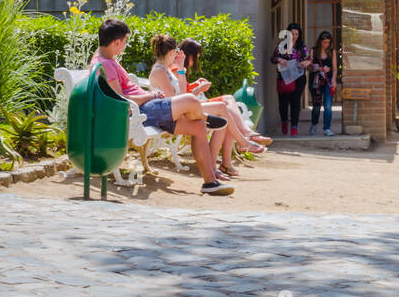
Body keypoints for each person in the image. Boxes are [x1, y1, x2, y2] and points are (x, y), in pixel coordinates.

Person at [91, 19, 232, 195]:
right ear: (117, 42)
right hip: (139, 112)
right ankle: (204, 116)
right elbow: (121, 99)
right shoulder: (105, 63)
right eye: (125, 41)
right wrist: (150, 95)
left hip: (147, 109)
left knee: (198, 127)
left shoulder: (106, 59)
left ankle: (210, 183)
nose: (125, 46)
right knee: (190, 100)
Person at [147, 34, 258, 180]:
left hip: (180, 110)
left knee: (222, 117)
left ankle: (216, 165)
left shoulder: (166, 69)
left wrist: (181, 69)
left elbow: (182, 94)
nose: (177, 55)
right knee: (222, 108)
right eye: (175, 52)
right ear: (170, 52)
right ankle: (242, 142)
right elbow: (172, 101)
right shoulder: (160, 71)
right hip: (173, 114)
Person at [178, 37, 272, 147]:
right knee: (226, 109)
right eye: (194, 58)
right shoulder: (178, 69)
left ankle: (245, 134)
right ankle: (246, 135)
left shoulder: (179, 69)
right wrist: (199, 88)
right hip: (190, 107)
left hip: (192, 105)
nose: (193, 62)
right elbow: (183, 97)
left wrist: (196, 84)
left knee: (228, 102)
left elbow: (183, 89)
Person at [270, 22, 311, 136]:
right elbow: (273, 58)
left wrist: (307, 62)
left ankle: (294, 128)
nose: (294, 36)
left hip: (299, 78)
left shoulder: (301, 46)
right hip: (285, 78)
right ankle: (284, 121)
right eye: (292, 34)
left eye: (296, 34)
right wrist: (280, 60)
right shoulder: (282, 46)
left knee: (295, 103)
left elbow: (309, 59)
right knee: (283, 104)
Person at [307, 30, 337, 136]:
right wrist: (319, 68)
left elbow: (334, 68)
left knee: (328, 106)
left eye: (328, 42)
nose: (326, 44)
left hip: (328, 82)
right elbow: (309, 67)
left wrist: (333, 79)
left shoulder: (332, 51)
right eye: (324, 42)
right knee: (316, 106)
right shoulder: (313, 51)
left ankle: (327, 128)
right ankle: (314, 124)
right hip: (316, 82)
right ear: (320, 41)